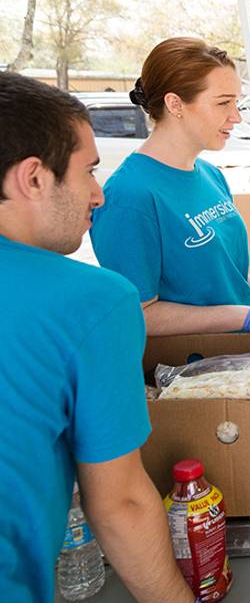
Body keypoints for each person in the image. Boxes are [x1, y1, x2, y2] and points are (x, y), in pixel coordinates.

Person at [0, 72, 194, 601]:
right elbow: (120, 504)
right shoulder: (92, 301)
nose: (97, 194)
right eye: (87, 171)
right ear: (33, 178)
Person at [90, 37, 250, 350]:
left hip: (246, 356)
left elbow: (233, 275)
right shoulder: (128, 196)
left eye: (236, 103)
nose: (237, 116)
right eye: (223, 102)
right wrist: (245, 317)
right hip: (196, 372)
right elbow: (139, 314)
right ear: (175, 104)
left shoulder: (211, 175)